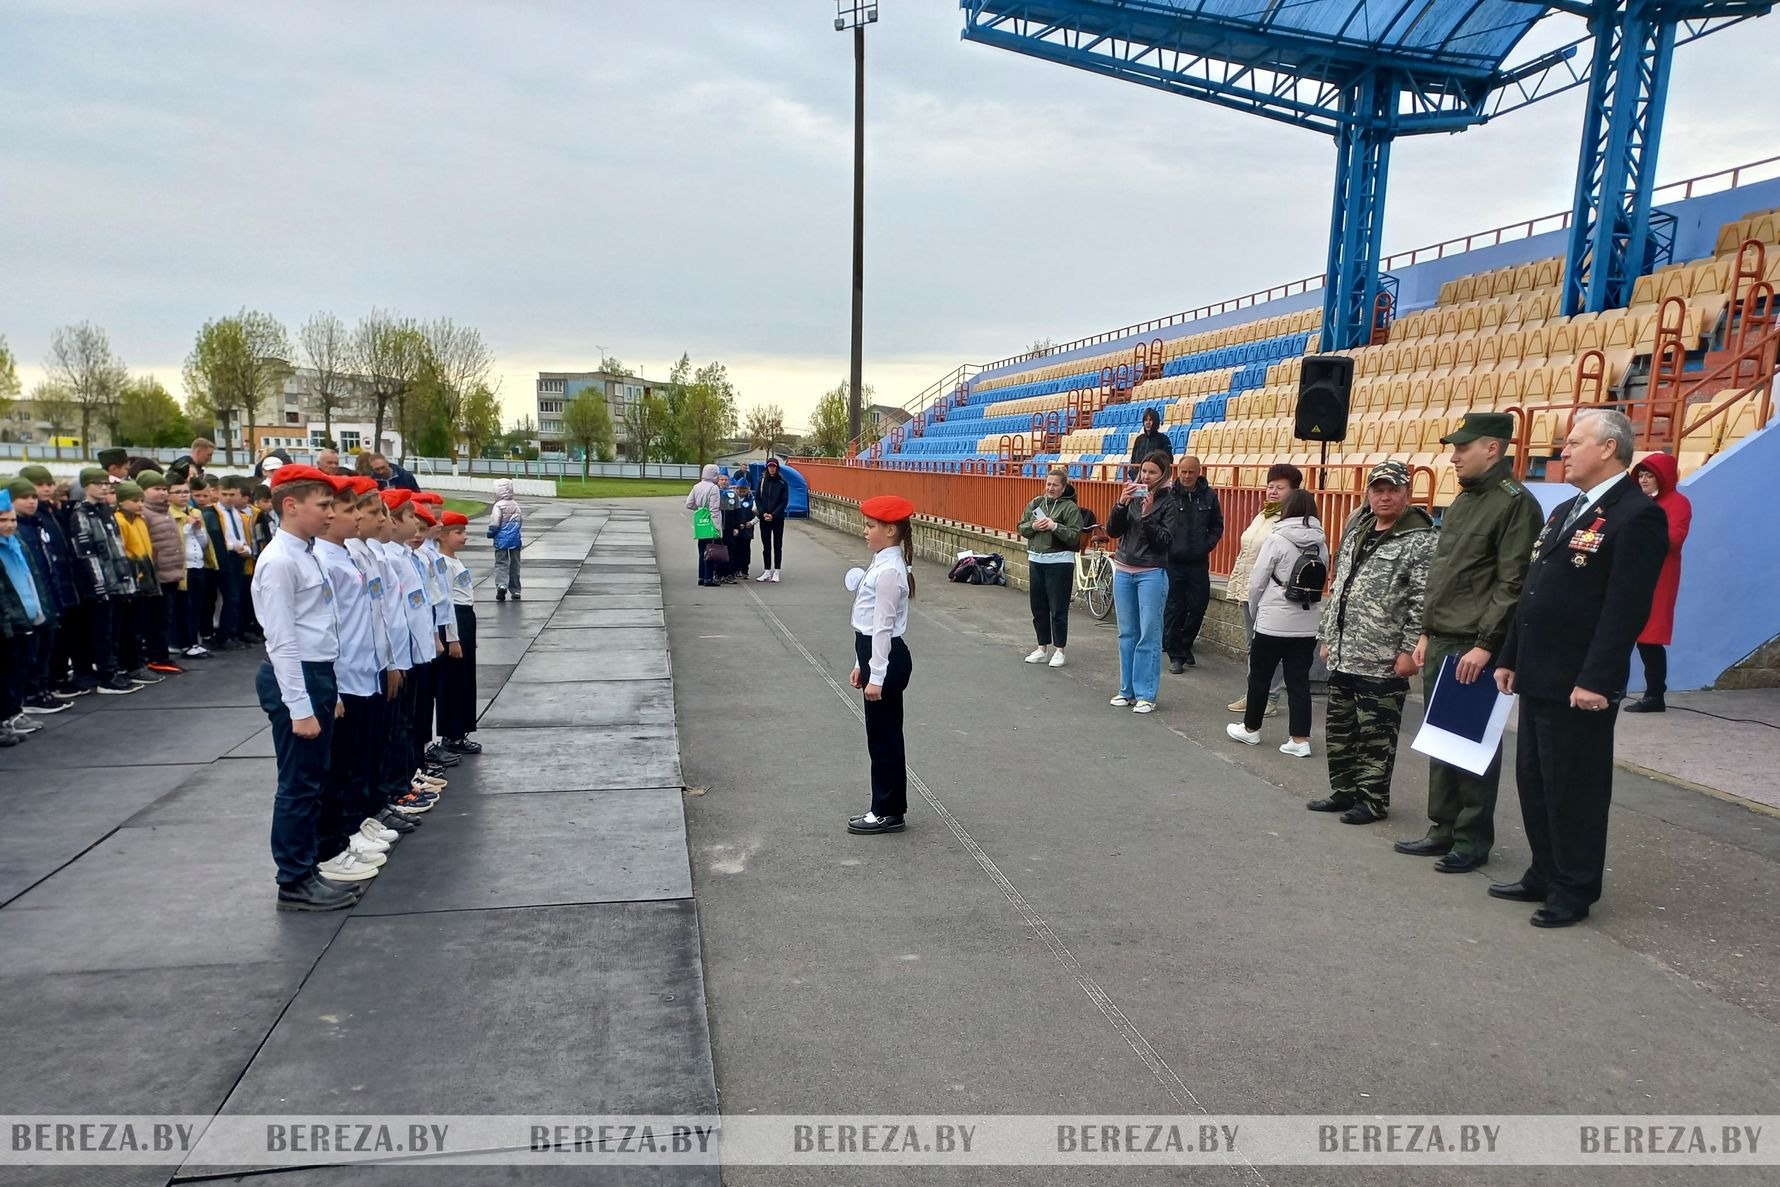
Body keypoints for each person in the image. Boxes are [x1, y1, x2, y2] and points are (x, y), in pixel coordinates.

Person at [1492, 409, 1669, 928]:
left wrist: (1597, 678)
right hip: (1540, 673)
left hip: (1580, 682)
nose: (1562, 452)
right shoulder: (1567, 509)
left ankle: (1574, 888)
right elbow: (1534, 590)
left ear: (1609, 448)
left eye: (1573, 442)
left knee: (1576, 787)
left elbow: (1624, 609)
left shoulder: (1637, 515)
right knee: (1536, 780)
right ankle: (1544, 871)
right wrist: (1510, 656)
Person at [1394, 412, 1544, 872]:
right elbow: (1445, 573)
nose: (1454, 457)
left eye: (1464, 448)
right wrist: (1425, 630)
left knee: (1471, 742)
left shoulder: (1514, 503)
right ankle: (1442, 827)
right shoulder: (1463, 501)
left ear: (1493, 449)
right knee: (1442, 738)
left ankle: (1472, 838)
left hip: (1474, 642)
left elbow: (1511, 581)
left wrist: (1486, 643)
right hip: (1443, 636)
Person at [251, 465, 365, 910]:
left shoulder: (308, 552)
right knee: (299, 784)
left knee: (314, 780)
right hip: (295, 674)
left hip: (318, 673)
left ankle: (308, 866)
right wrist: (300, 707)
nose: (329, 512)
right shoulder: (280, 561)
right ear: (291, 506)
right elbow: (282, 641)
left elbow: (322, 629)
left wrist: (330, 693)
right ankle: (294, 879)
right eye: (322, 505)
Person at [1309, 460, 1436, 823]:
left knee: (1376, 733)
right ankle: (1345, 790)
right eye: (1377, 490)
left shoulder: (1421, 539)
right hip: (1346, 651)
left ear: (1406, 494)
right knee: (1341, 728)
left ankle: (1372, 799)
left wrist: (1409, 650)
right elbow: (1340, 586)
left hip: (1383, 657)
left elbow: (1421, 599)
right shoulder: (1359, 530)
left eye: (1393, 490)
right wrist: (1328, 636)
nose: (1384, 497)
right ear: (1367, 494)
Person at [311, 471, 399, 880]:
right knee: (340, 766)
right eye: (353, 510)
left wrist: (387, 661)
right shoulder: (324, 561)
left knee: (363, 754)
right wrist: (336, 688)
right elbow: (325, 630)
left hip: (367, 669)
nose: (335, 517)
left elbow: (374, 617)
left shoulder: (351, 555)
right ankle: (340, 836)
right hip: (343, 676)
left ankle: (356, 823)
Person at [1229, 487, 1326, 755]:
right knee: (1298, 681)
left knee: (1260, 676)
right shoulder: (1321, 542)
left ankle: (1251, 729)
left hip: (1273, 621)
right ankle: (1299, 740)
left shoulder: (1277, 539)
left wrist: (1256, 608)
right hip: (1306, 623)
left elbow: (1258, 581)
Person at [847, 494, 917, 835]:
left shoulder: (889, 570)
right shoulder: (882, 561)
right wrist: (860, 663)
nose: (865, 530)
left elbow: (882, 627)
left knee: (884, 736)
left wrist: (876, 674)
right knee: (881, 734)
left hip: (886, 657)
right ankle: (889, 806)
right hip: (875, 655)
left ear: (890, 531)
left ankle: (886, 810)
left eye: (871, 525)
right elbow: (865, 622)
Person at [1225, 464, 1303, 718]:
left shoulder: (1293, 522)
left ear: (1294, 492)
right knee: (1254, 646)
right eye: (1270, 486)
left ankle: (1269, 697)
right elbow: (1247, 553)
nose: (1273, 491)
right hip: (1250, 590)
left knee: (1271, 649)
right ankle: (1254, 693)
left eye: (1280, 488)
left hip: (1272, 595)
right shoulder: (1264, 515)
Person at [1106, 451, 1179, 714]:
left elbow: (1165, 541)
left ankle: (1146, 693)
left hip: (1151, 571)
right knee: (1127, 633)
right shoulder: (1133, 496)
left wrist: (1148, 516)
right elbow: (1113, 531)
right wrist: (1121, 504)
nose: (1145, 477)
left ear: (1163, 475)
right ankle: (1127, 690)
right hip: (1124, 568)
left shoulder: (1169, 502)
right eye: (1143, 471)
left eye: (1152, 473)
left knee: (1148, 634)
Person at [1624, 453, 1691, 713]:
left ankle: (1654, 694)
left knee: (1649, 639)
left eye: (1649, 475)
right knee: (1623, 632)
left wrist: (1639, 536)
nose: (1643, 480)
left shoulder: (1678, 503)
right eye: (1640, 475)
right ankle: (1615, 689)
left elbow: (1674, 539)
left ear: (1662, 478)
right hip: (1632, 574)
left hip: (1660, 577)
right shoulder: (1635, 502)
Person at [68, 467, 138, 694]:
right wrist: (98, 584)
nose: (104, 487)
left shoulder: (106, 511)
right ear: (86, 486)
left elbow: (117, 548)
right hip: (100, 583)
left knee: (114, 629)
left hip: (117, 580)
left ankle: (113, 667)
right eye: (98, 484)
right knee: (102, 631)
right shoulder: (81, 514)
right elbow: (85, 552)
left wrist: (126, 580)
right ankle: (106, 673)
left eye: (106, 484)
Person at [10, 472, 76, 713]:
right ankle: (31, 694)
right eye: (25, 496)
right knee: (30, 653)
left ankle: (40, 689)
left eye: (32, 496)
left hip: (47, 595)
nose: (32, 500)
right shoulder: (21, 529)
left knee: (45, 646)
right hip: (31, 599)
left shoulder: (41, 521)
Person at [1017, 467, 1084, 668]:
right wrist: (1033, 527)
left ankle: (1060, 649)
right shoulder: (1036, 503)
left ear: (1063, 488)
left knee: (1058, 608)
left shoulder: (1070, 508)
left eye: (1055, 485)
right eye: (1048, 484)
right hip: (1036, 559)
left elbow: (1074, 535)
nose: (1050, 488)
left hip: (1060, 562)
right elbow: (1021, 526)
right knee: (1038, 607)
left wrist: (1055, 526)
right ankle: (1042, 647)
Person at [0, 489, 51, 743]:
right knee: (7, 670)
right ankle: (7, 715)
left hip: (26, 613)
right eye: (3, 520)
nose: (9, 525)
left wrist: (40, 610)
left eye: (12, 520)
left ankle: (13, 712)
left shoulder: (17, 544)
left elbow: (31, 579)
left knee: (21, 667)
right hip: (8, 620)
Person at [1164, 454, 1223, 673]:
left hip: (1198, 561)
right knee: (1174, 608)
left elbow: (1217, 525)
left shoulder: (1209, 496)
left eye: (1191, 472)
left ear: (1199, 472)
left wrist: (1206, 545)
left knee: (1198, 606)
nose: (1187, 476)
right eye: (1183, 471)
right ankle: (1175, 655)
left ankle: (1185, 644)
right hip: (1174, 561)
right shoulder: (1169, 495)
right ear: (1177, 472)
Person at [436, 511, 481, 756]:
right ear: (442, 535)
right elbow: (445, 602)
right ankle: (450, 735)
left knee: (465, 678)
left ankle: (460, 731)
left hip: (465, 617)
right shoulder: (442, 563)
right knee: (453, 680)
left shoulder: (454, 560)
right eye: (458, 532)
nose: (465, 536)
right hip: (454, 619)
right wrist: (453, 638)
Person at [136, 473, 188, 674]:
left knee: (166, 616)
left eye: (164, 489)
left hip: (171, 572)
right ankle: (155, 655)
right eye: (156, 489)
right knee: (156, 618)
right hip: (157, 575)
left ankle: (161, 653)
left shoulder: (165, 512)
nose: (162, 493)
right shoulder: (147, 514)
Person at [686, 464, 723, 587]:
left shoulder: (696, 486)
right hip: (710, 521)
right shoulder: (714, 488)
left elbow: (689, 504)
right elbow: (714, 509)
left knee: (702, 549)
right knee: (710, 550)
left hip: (700, 521)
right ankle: (708, 578)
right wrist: (717, 527)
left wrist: (700, 508)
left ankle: (701, 576)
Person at [488, 478, 524, 600]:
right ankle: (515, 590)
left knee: (501, 563)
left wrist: (491, 533)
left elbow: (495, 523)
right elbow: (520, 521)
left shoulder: (497, 506)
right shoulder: (515, 505)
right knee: (515, 563)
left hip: (501, 540)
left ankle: (502, 585)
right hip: (515, 539)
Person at [756, 457, 790, 582]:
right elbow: (757, 498)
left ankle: (777, 571)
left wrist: (774, 515)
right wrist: (763, 513)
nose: (772, 468)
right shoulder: (762, 481)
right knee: (766, 545)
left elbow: (784, 501)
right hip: (764, 518)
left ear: (777, 468)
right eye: (770, 466)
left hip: (777, 518)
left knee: (777, 545)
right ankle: (766, 571)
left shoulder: (782, 483)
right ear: (767, 467)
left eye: (774, 466)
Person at [727, 477, 758, 581]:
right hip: (736, 529)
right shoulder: (733, 499)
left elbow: (758, 515)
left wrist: (752, 522)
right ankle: (735, 569)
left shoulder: (752, 500)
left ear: (748, 489)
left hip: (747, 530)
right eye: (739, 490)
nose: (742, 492)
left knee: (745, 550)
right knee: (735, 549)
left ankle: (745, 570)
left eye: (744, 490)